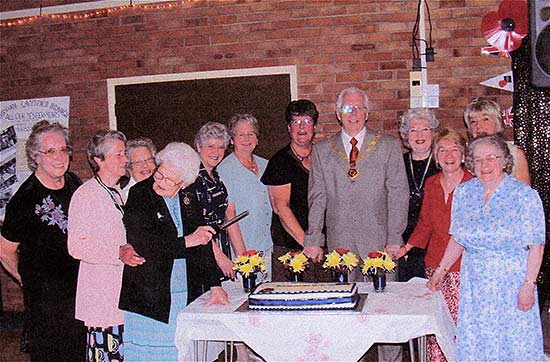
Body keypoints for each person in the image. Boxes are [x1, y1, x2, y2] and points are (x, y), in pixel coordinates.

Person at [303, 87, 409, 362]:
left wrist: (395, 236)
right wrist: (313, 239)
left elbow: (398, 193)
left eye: (360, 108)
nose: (354, 114)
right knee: (344, 316)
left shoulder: (387, 145)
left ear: (367, 112)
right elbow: (317, 197)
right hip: (341, 246)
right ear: (338, 114)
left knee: (386, 314)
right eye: (348, 109)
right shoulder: (323, 150)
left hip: (380, 244)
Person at [428, 135, 545, 361]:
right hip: (475, 283)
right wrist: (440, 271)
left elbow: (536, 246)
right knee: (477, 339)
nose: (485, 165)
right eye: (478, 159)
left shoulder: (524, 195)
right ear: (471, 162)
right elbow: (458, 238)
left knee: (513, 340)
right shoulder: (464, 192)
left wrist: (528, 286)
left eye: (491, 158)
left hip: (512, 282)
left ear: (504, 161)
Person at [119, 142, 228, 361]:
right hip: (150, 295)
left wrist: (215, 285)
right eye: (159, 174)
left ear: (183, 183)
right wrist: (188, 241)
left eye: (169, 180)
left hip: (182, 293)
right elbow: (144, 244)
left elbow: (202, 239)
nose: (159, 183)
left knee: (180, 353)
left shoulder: (188, 194)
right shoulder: (140, 194)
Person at [0, 121, 86, 362]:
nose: (59, 157)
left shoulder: (73, 183)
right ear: (35, 157)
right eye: (50, 151)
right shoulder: (24, 200)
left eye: (63, 149)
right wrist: (26, 279)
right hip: (46, 303)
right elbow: (5, 251)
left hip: (80, 293)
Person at [389, 127, 473, 361]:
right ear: (436, 156)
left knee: (461, 326)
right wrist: (405, 248)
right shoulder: (432, 183)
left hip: (465, 268)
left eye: (454, 149)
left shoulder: (473, 185)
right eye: (442, 150)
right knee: (437, 326)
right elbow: (425, 223)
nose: (449, 155)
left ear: (464, 155)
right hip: (433, 265)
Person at [68, 130, 139, 362]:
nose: (125, 159)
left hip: (120, 291)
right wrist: (116, 252)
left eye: (124, 154)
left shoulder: (117, 192)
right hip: (101, 295)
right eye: (118, 155)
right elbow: (76, 247)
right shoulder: (86, 194)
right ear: (99, 160)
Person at [261, 99, 331, 282]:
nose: (302, 127)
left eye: (307, 121)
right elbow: (280, 208)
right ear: (288, 127)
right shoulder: (279, 162)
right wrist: (308, 244)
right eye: (296, 122)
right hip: (291, 250)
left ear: (314, 126)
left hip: (323, 248)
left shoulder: (324, 157)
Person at [217, 114, 273, 281]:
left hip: (266, 249)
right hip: (242, 254)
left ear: (257, 138)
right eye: (241, 134)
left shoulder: (266, 165)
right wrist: (243, 258)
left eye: (251, 133)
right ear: (232, 140)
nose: (247, 138)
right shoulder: (224, 170)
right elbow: (230, 215)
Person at [193, 122, 246, 281]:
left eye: (221, 147)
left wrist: (243, 259)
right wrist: (220, 258)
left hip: (222, 248)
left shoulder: (216, 177)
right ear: (198, 146)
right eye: (210, 146)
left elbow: (229, 218)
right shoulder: (193, 178)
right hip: (204, 254)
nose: (216, 152)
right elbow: (195, 224)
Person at [397, 108, 439, 281]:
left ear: (433, 133)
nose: (419, 135)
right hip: (404, 243)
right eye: (413, 130)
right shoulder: (398, 163)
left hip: (435, 243)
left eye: (425, 129)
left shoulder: (442, 162)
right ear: (406, 136)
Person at [463, 97, 531, 184]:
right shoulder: (465, 154)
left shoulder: (515, 153)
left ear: (497, 122)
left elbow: (525, 192)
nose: (479, 126)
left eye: (485, 119)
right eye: (473, 122)